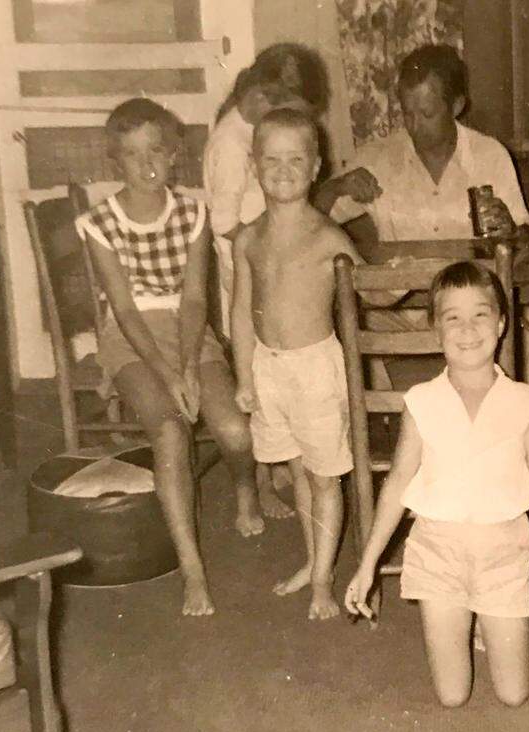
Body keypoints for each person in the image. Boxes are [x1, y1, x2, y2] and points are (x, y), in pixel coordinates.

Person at [344, 261, 529, 708]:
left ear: (502, 323)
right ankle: (474, 619)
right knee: (452, 696)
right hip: (437, 553)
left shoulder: (526, 403)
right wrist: (367, 564)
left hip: (504, 553)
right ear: (436, 329)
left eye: (480, 314)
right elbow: (395, 485)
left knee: (513, 693)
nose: (468, 329)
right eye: (453, 317)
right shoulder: (421, 402)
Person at [76, 97, 261, 617]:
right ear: (115, 161)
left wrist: (188, 367)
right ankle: (193, 570)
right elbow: (126, 312)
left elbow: (197, 299)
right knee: (170, 428)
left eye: (156, 150)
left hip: (188, 329)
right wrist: (165, 374)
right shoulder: (98, 223)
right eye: (132, 154)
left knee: (234, 432)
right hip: (131, 339)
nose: (146, 163)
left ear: (175, 153)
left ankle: (247, 486)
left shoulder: (193, 212)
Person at [314, 43, 529, 388]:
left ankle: (501, 421)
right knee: (344, 321)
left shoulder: (489, 155)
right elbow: (311, 221)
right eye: (407, 114)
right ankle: (393, 424)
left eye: (426, 114)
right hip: (404, 310)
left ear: (456, 106)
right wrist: (337, 187)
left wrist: (512, 232)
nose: (414, 126)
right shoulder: (379, 157)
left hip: (474, 307)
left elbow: (524, 233)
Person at [230, 108, 363, 621]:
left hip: (315, 370)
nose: (283, 170)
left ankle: (324, 580)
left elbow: (372, 292)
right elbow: (241, 313)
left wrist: (399, 281)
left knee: (325, 477)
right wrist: (245, 377)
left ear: (315, 168)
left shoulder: (328, 236)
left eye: (296, 160)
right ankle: (315, 562)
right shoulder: (248, 238)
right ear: (254, 164)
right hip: (269, 367)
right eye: (271, 159)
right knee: (299, 472)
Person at [204, 43, 328, 528]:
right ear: (256, 92)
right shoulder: (233, 144)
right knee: (252, 382)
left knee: (273, 381)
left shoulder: (248, 132)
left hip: (262, 274)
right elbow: (225, 222)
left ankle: (278, 465)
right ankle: (256, 481)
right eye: (282, 102)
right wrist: (271, 250)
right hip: (246, 279)